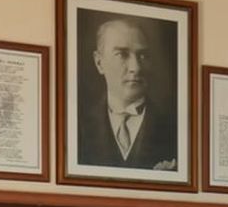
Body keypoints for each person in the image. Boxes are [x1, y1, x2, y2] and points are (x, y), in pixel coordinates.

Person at [76, 17, 178, 170]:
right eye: (122, 54)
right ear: (99, 62)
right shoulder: (78, 126)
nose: (135, 67)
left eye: (142, 55)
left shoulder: (174, 128)